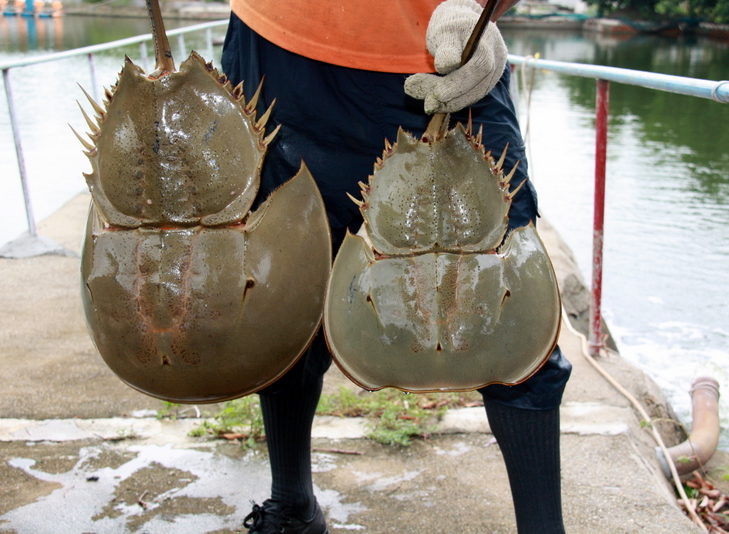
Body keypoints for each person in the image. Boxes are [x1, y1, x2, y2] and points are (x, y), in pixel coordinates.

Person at [220, 1, 572, 532]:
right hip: (278, 43)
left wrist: (481, 7)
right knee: (286, 292)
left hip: (442, 51)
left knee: (511, 304)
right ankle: (292, 505)